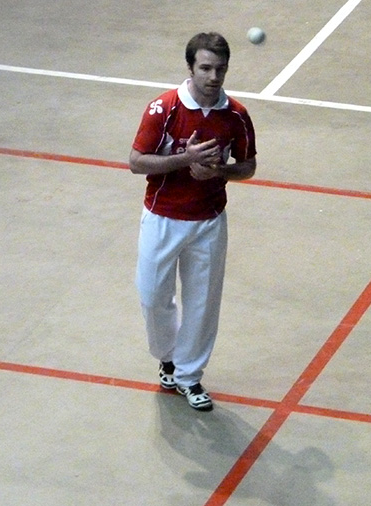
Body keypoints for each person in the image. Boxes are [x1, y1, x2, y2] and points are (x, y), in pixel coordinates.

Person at [129, 32, 257, 411]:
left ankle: (189, 375)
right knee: (153, 296)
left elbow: (248, 166)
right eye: (205, 68)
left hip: (209, 222)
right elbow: (137, 161)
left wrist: (220, 173)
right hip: (162, 218)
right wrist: (185, 161)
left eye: (220, 69)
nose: (213, 77)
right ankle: (167, 356)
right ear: (190, 68)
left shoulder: (236, 115)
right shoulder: (163, 108)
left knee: (202, 303)